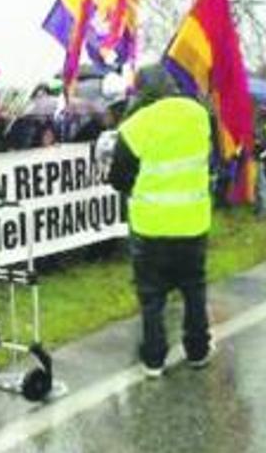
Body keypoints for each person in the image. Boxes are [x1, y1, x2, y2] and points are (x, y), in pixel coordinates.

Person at [106, 96, 213, 377]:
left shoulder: (136, 124)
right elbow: (213, 158)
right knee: (194, 288)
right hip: (192, 221)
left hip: (151, 225)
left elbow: (118, 177)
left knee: (152, 296)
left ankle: (154, 359)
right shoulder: (199, 115)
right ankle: (198, 351)